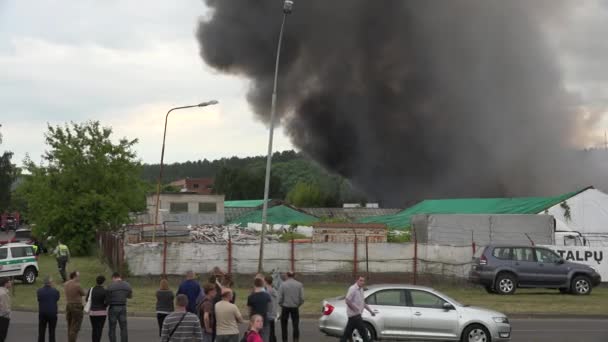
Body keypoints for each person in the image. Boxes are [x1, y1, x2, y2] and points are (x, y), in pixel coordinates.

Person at [339, 276, 376, 342]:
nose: (362, 282)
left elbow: (363, 302)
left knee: (347, 333)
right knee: (363, 332)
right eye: (360, 280)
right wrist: (355, 309)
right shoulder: (352, 289)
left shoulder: (361, 289)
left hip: (355, 316)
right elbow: (347, 300)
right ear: (357, 281)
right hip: (355, 315)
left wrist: (370, 311)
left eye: (363, 281)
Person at [105, 272, 132, 342]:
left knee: (112, 328)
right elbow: (130, 296)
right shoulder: (127, 285)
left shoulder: (110, 286)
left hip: (113, 308)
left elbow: (107, 299)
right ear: (120, 277)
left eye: (112, 279)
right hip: (123, 307)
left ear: (114, 277)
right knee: (123, 327)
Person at [278, 272, 303, 342]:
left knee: (284, 325)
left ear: (287, 275)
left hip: (285, 306)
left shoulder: (283, 284)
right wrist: (298, 304)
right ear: (294, 275)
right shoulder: (299, 284)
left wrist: (281, 304)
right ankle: (295, 339)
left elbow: (280, 298)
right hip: (295, 306)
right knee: (295, 325)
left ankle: (285, 339)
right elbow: (302, 298)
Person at [37, 276, 60, 342]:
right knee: (52, 332)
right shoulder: (55, 291)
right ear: (50, 283)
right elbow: (57, 299)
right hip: (52, 313)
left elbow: (39, 299)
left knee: (41, 331)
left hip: (42, 313)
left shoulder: (39, 291)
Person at [64, 271, 85, 342]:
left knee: (69, 325)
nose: (79, 277)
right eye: (78, 276)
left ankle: (69, 339)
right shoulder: (77, 285)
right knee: (75, 326)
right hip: (77, 306)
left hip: (69, 305)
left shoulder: (66, 284)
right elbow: (83, 293)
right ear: (75, 276)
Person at [88, 275, 108, 342]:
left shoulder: (91, 289)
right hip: (101, 312)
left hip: (92, 312)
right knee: (99, 329)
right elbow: (107, 301)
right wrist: (104, 306)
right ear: (103, 282)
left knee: (94, 329)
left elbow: (86, 299)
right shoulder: (105, 291)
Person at [264, 275, 278, 342]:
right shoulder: (274, 290)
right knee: (272, 330)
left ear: (266, 281)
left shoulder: (266, 292)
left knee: (268, 331)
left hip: (268, 313)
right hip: (273, 313)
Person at [0, 278, 11, 342]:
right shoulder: (4, 293)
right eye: (9, 282)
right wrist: (8, 313)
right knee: (2, 336)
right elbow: (5, 309)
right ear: (5, 283)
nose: (10, 283)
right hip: (3, 318)